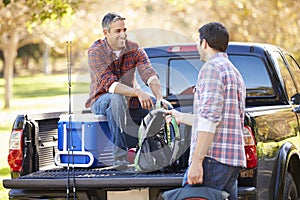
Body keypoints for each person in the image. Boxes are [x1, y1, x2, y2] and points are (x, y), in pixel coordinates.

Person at [168, 22, 246, 199]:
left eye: (198, 41)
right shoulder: (234, 72)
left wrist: (196, 161)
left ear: (204, 43)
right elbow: (218, 117)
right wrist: (180, 117)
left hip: (212, 160)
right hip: (229, 162)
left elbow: (210, 120)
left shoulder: (211, 69)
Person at [85, 12, 163, 169]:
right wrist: (137, 92)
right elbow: (111, 85)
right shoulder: (95, 52)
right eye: (118, 31)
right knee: (116, 98)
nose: (123, 35)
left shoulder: (134, 48)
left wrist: (160, 99)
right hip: (101, 100)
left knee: (158, 106)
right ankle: (119, 159)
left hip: (130, 102)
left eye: (124, 30)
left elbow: (149, 74)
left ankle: (156, 155)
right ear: (106, 33)